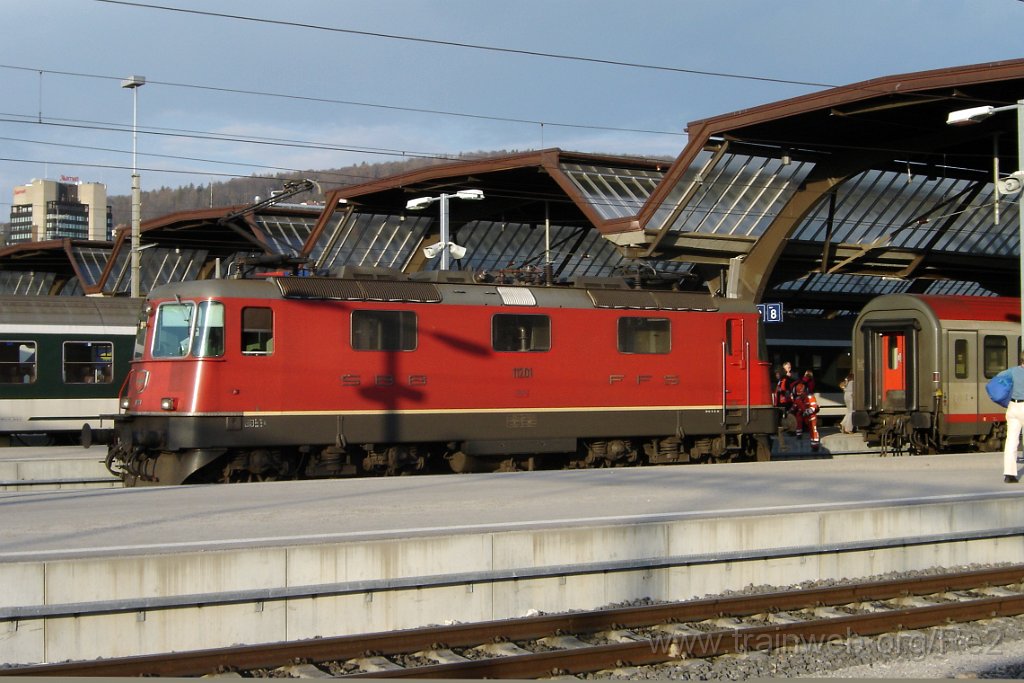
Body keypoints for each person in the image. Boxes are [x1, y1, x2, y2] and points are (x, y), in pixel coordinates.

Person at [995, 352, 1024, 483]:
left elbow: (998, 378)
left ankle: (1009, 474)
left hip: (1012, 406)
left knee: (1011, 441)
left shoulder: (1011, 371)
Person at [790, 380, 821, 450]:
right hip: (805, 417)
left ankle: (815, 445)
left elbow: (814, 407)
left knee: (813, 429)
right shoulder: (798, 399)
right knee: (799, 417)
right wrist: (789, 412)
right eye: (799, 394)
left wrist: (808, 411)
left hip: (811, 417)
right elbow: (794, 407)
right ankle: (799, 434)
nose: (800, 395)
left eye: (801, 394)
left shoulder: (810, 398)